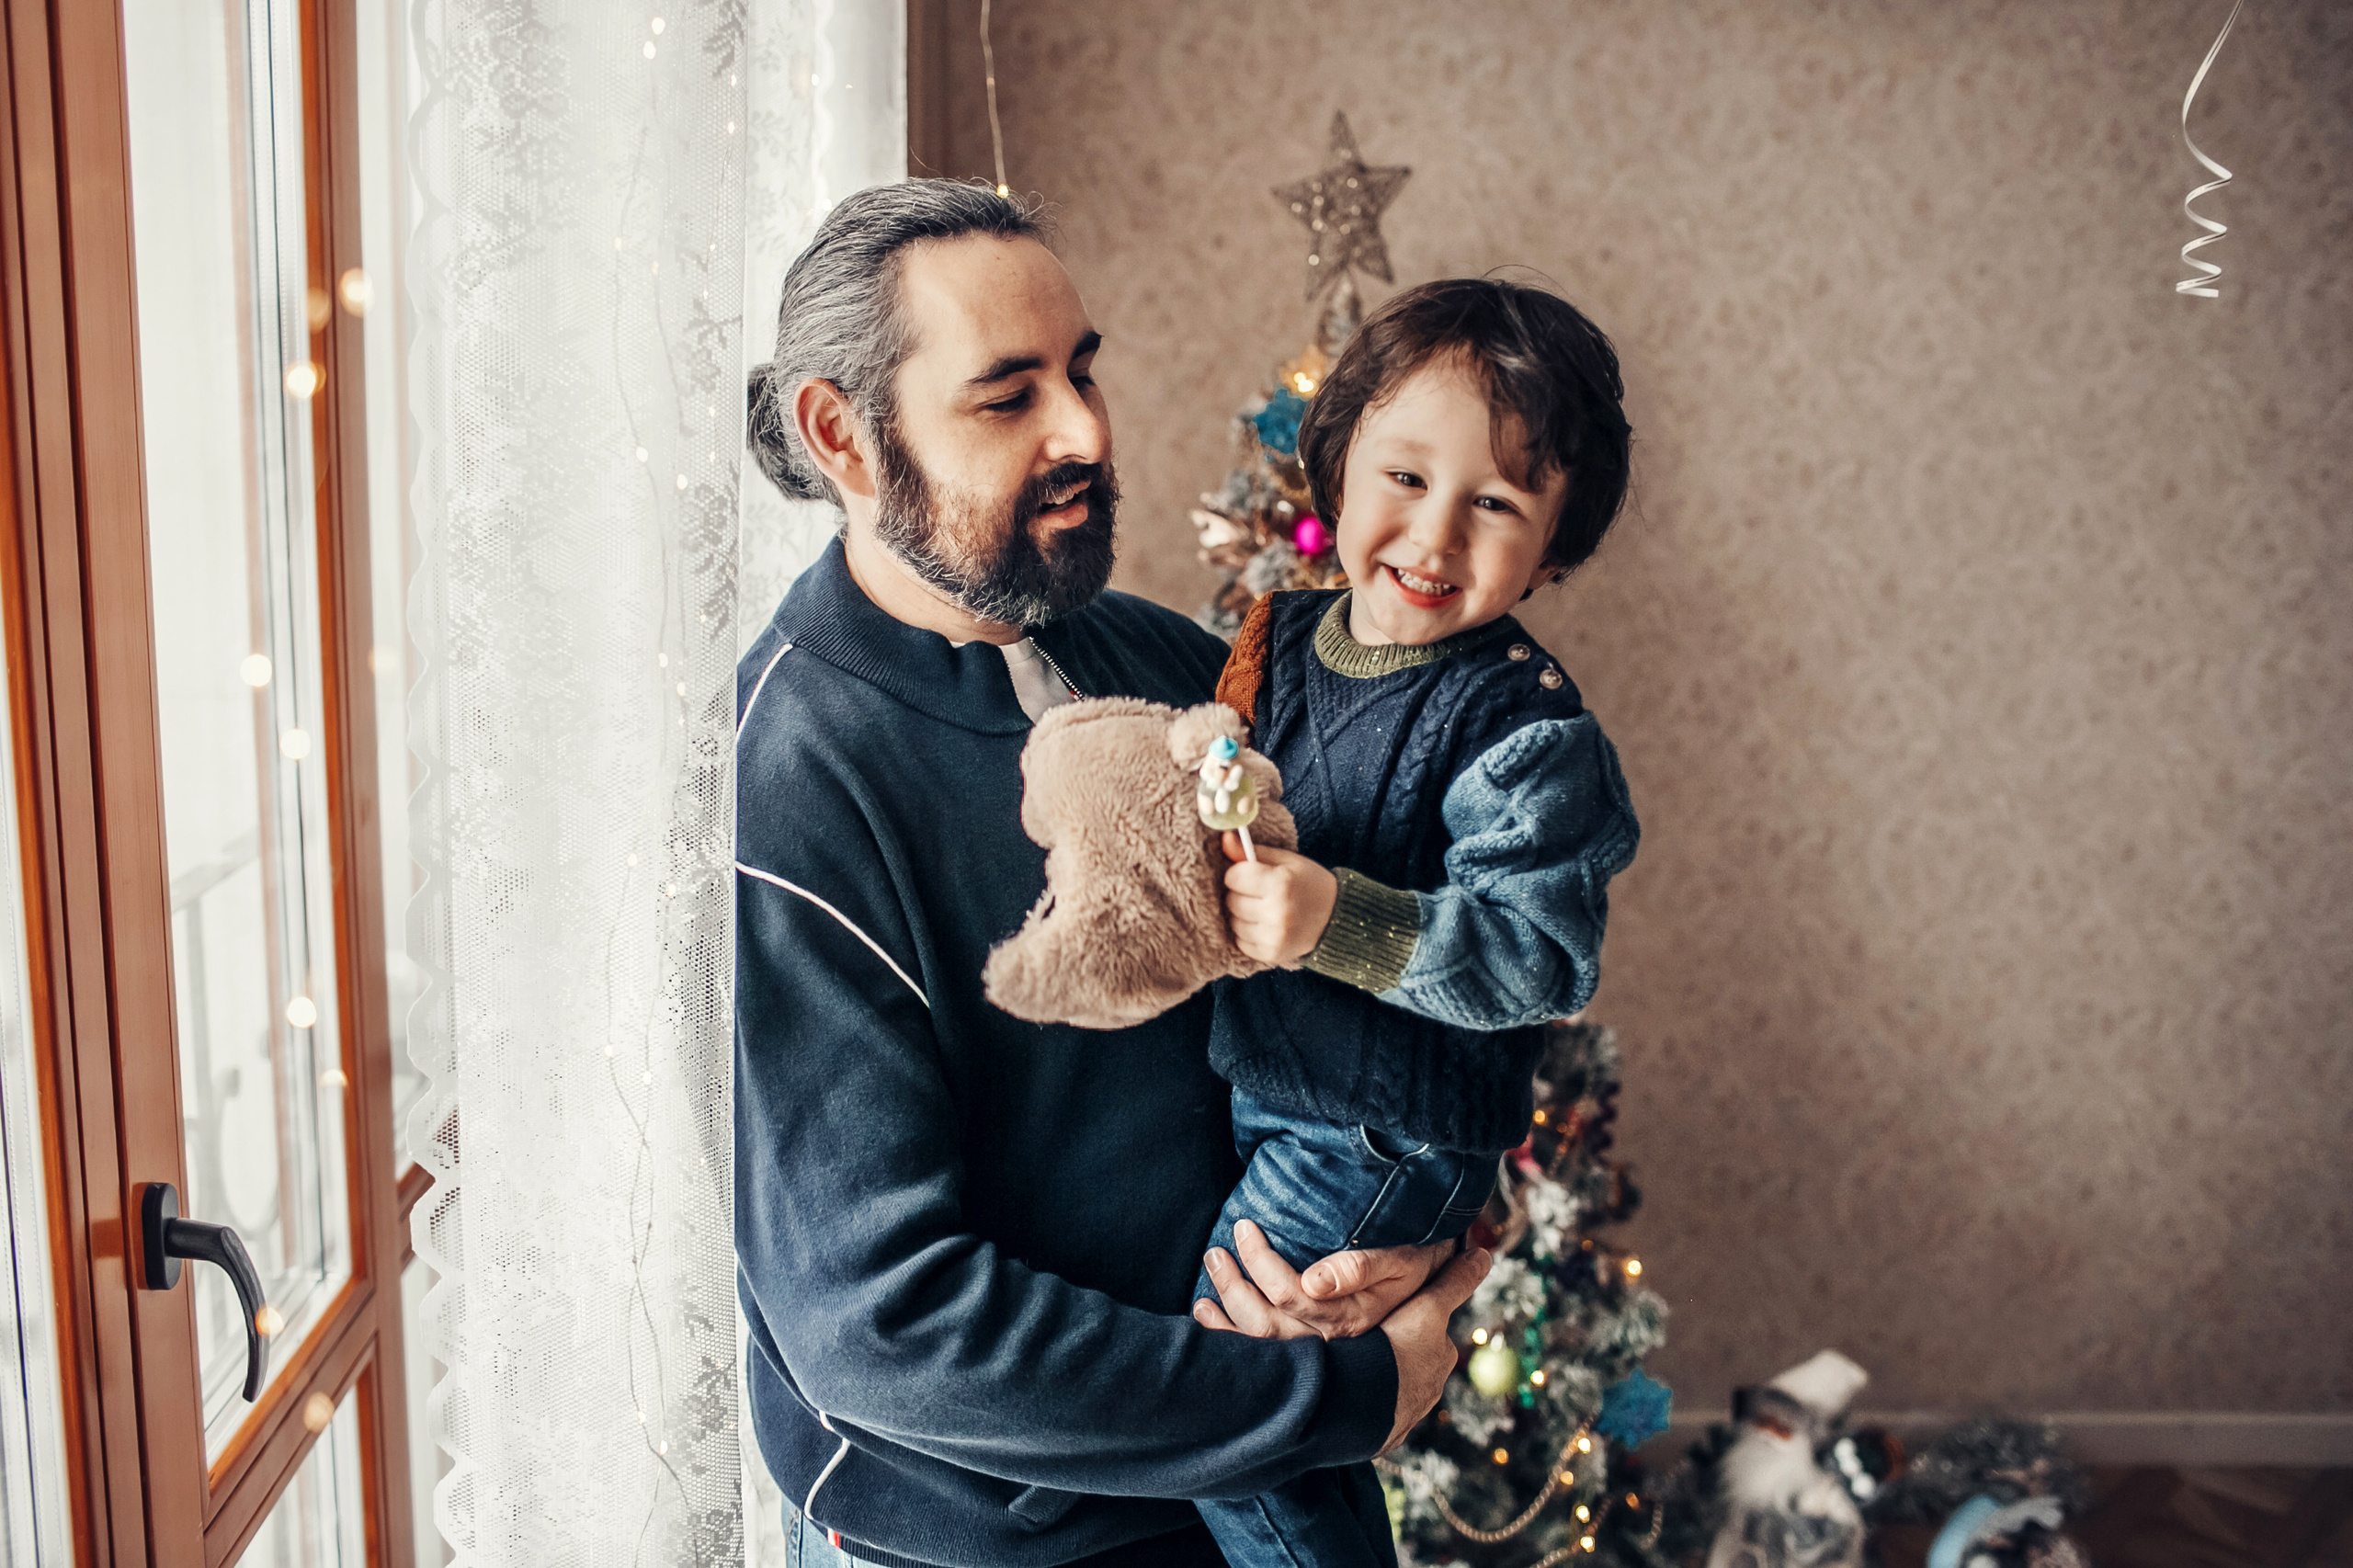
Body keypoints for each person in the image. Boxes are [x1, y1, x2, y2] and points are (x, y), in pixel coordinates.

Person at [733, 178, 1491, 1568]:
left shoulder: (1149, 659)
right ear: (841, 434)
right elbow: (882, 1324)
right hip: (993, 1545)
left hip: (1249, 1490)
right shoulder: (791, 780)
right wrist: (1339, 1392)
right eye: (1006, 394)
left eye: (1081, 369)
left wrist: (1428, 1239)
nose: (1085, 427)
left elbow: (1393, 960)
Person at [1186, 278, 1642, 1568]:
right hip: (1271, 1086)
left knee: (1237, 1403)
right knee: (1280, 1418)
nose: (1435, 534)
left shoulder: (1523, 730)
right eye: (1405, 475)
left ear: (1553, 548)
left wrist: (1334, 915)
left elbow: (1540, 955)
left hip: (1383, 1124)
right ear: (1335, 467)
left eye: (1495, 502)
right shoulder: (1274, 643)